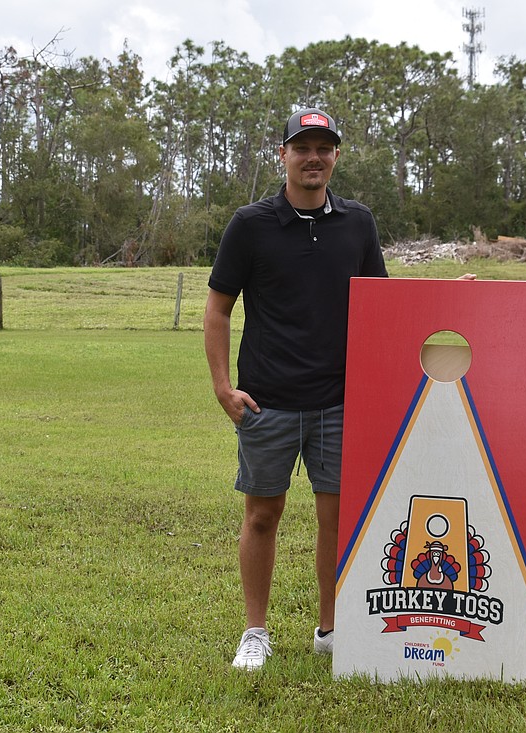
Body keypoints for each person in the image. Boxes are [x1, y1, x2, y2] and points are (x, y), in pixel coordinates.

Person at [203, 107, 388, 670]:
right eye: (302, 147)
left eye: (323, 148)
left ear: (335, 156)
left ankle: (330, 630)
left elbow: (385, 307)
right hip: (267, 402)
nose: (313, 157)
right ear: (282, 154)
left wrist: (455, 297)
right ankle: (255, 632)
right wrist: (223, 388)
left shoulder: (357, 223)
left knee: (337, 520)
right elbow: (217, 309)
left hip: (339, 403)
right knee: (262, 515)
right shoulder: (250, 224)